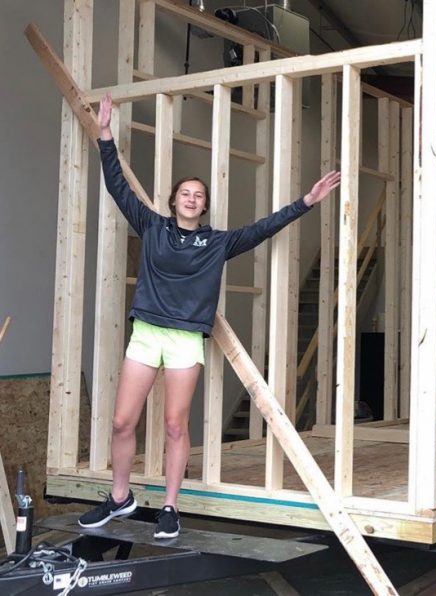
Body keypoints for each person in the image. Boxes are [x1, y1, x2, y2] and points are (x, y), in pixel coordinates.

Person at [78, 92, 340, 539]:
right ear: (173, 199)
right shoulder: (151, 226)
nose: (191, 199)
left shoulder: (217, 243)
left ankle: (170, 507)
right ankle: (120, 498)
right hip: (146, 333)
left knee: (176, 424)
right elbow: (117, 185)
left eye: (198, 196)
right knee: (123, 421)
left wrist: (306, 202)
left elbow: (262, 229)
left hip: (184, 340)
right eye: (185, 193)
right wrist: (105, 135)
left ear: (203, 206)